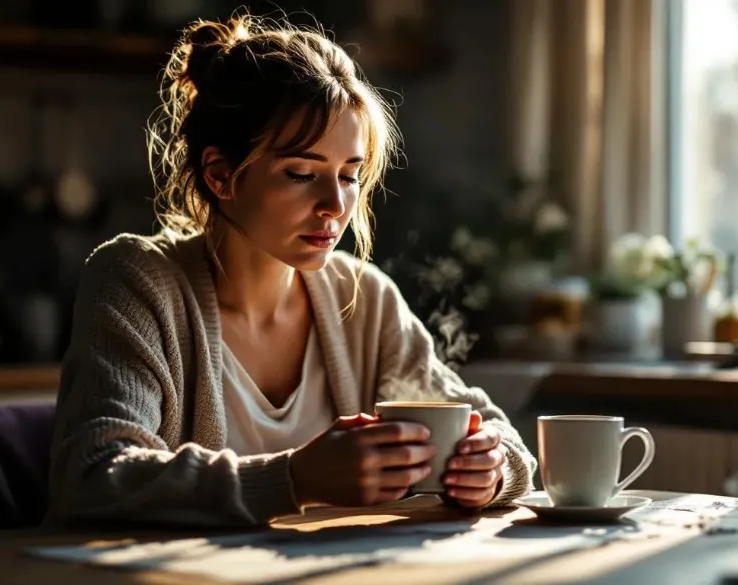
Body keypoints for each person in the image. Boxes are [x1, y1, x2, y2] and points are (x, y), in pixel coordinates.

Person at [47, 14, 536, 529]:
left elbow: (502, 439)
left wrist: (492, 469)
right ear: (220, 176)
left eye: (350, 175)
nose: (335, 204)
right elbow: (93, 476)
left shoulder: (364, 298)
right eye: (302, 174)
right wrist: (296, 479)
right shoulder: (136, 281)